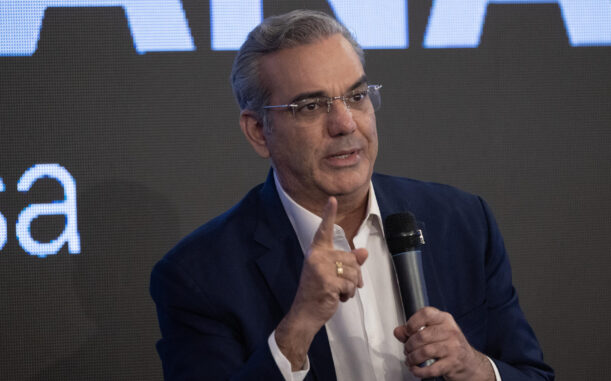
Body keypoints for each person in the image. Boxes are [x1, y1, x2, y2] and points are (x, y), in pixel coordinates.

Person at [150, 9, 554, 381]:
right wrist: (298, 327)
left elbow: (531, 374)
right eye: (310, 107)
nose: (345, 124)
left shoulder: (462, 222)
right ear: (258, 131)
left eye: (357, 96)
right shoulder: (198, 275)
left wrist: (475, 366)